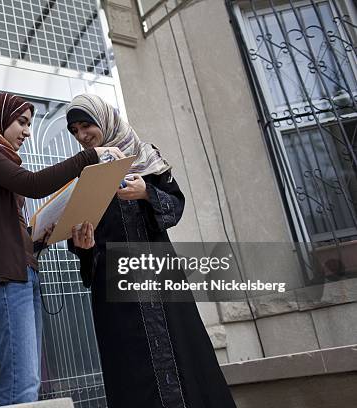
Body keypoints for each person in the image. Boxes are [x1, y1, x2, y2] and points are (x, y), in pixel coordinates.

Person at [66, 94, 237, 408]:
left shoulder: (146, 158)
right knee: (131, 371)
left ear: (104, 120)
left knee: (184, 356)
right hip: (116, 294)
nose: (81, 135)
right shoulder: (84, 175)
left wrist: (147, 192)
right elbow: (82, 237)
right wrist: (84, 246)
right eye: (74, 130)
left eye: (86, 125)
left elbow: (177, 205)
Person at [0, 92, 123, 406]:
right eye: (21, 122)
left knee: (28, 382)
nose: (27, 131)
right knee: (21, 384)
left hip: (19, 271)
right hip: (2, 273)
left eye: (30, 124)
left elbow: (3, 221)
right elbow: (32, 184)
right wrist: (90, 157)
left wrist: (37, 239)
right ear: (0, 118)